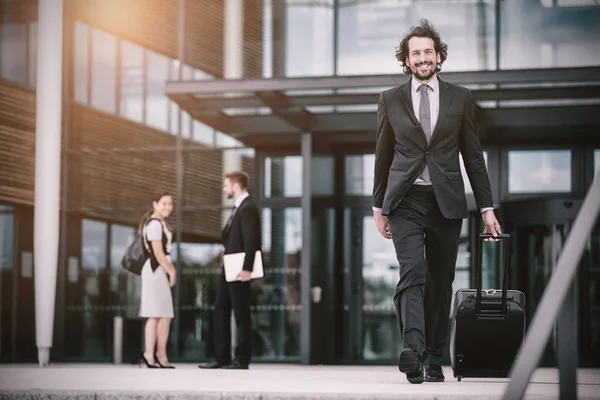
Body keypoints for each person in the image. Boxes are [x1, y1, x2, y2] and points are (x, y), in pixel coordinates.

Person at [372, 19, 502, 384]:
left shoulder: (460, 98)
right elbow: (382, 156)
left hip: (445, 200)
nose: (423, 58)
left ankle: (433, 358)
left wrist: (487, 207)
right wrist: (378, 207)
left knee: (440, 280)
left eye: (428, 51)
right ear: (406, 59)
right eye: (416, 53)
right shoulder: (389, 99)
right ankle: (412, 350)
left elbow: (473, 156)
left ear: (439, 55)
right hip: (405, 199)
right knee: (411, 271)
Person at [199, 171, 261, 370]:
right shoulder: (238, 208)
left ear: (236, 185)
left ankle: (242, 359)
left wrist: (247, 269)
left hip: (239, 269)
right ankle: (221, 357)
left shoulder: (248, 208)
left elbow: (252, 241)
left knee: (241, 314)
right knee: (220, 309)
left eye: (226, 185)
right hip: (230, 267)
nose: (224, 189)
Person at [138, 192, 177, 369]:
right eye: (164, 203)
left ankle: (154, 354)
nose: (167, 207)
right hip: (156, 271)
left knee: (160, 314)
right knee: (159, 314)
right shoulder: (154, 225)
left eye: (170, 204)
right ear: (155, 204)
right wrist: (172, 271)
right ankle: (155, 354)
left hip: (157, 271)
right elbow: (159, 254)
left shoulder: (159, 223)